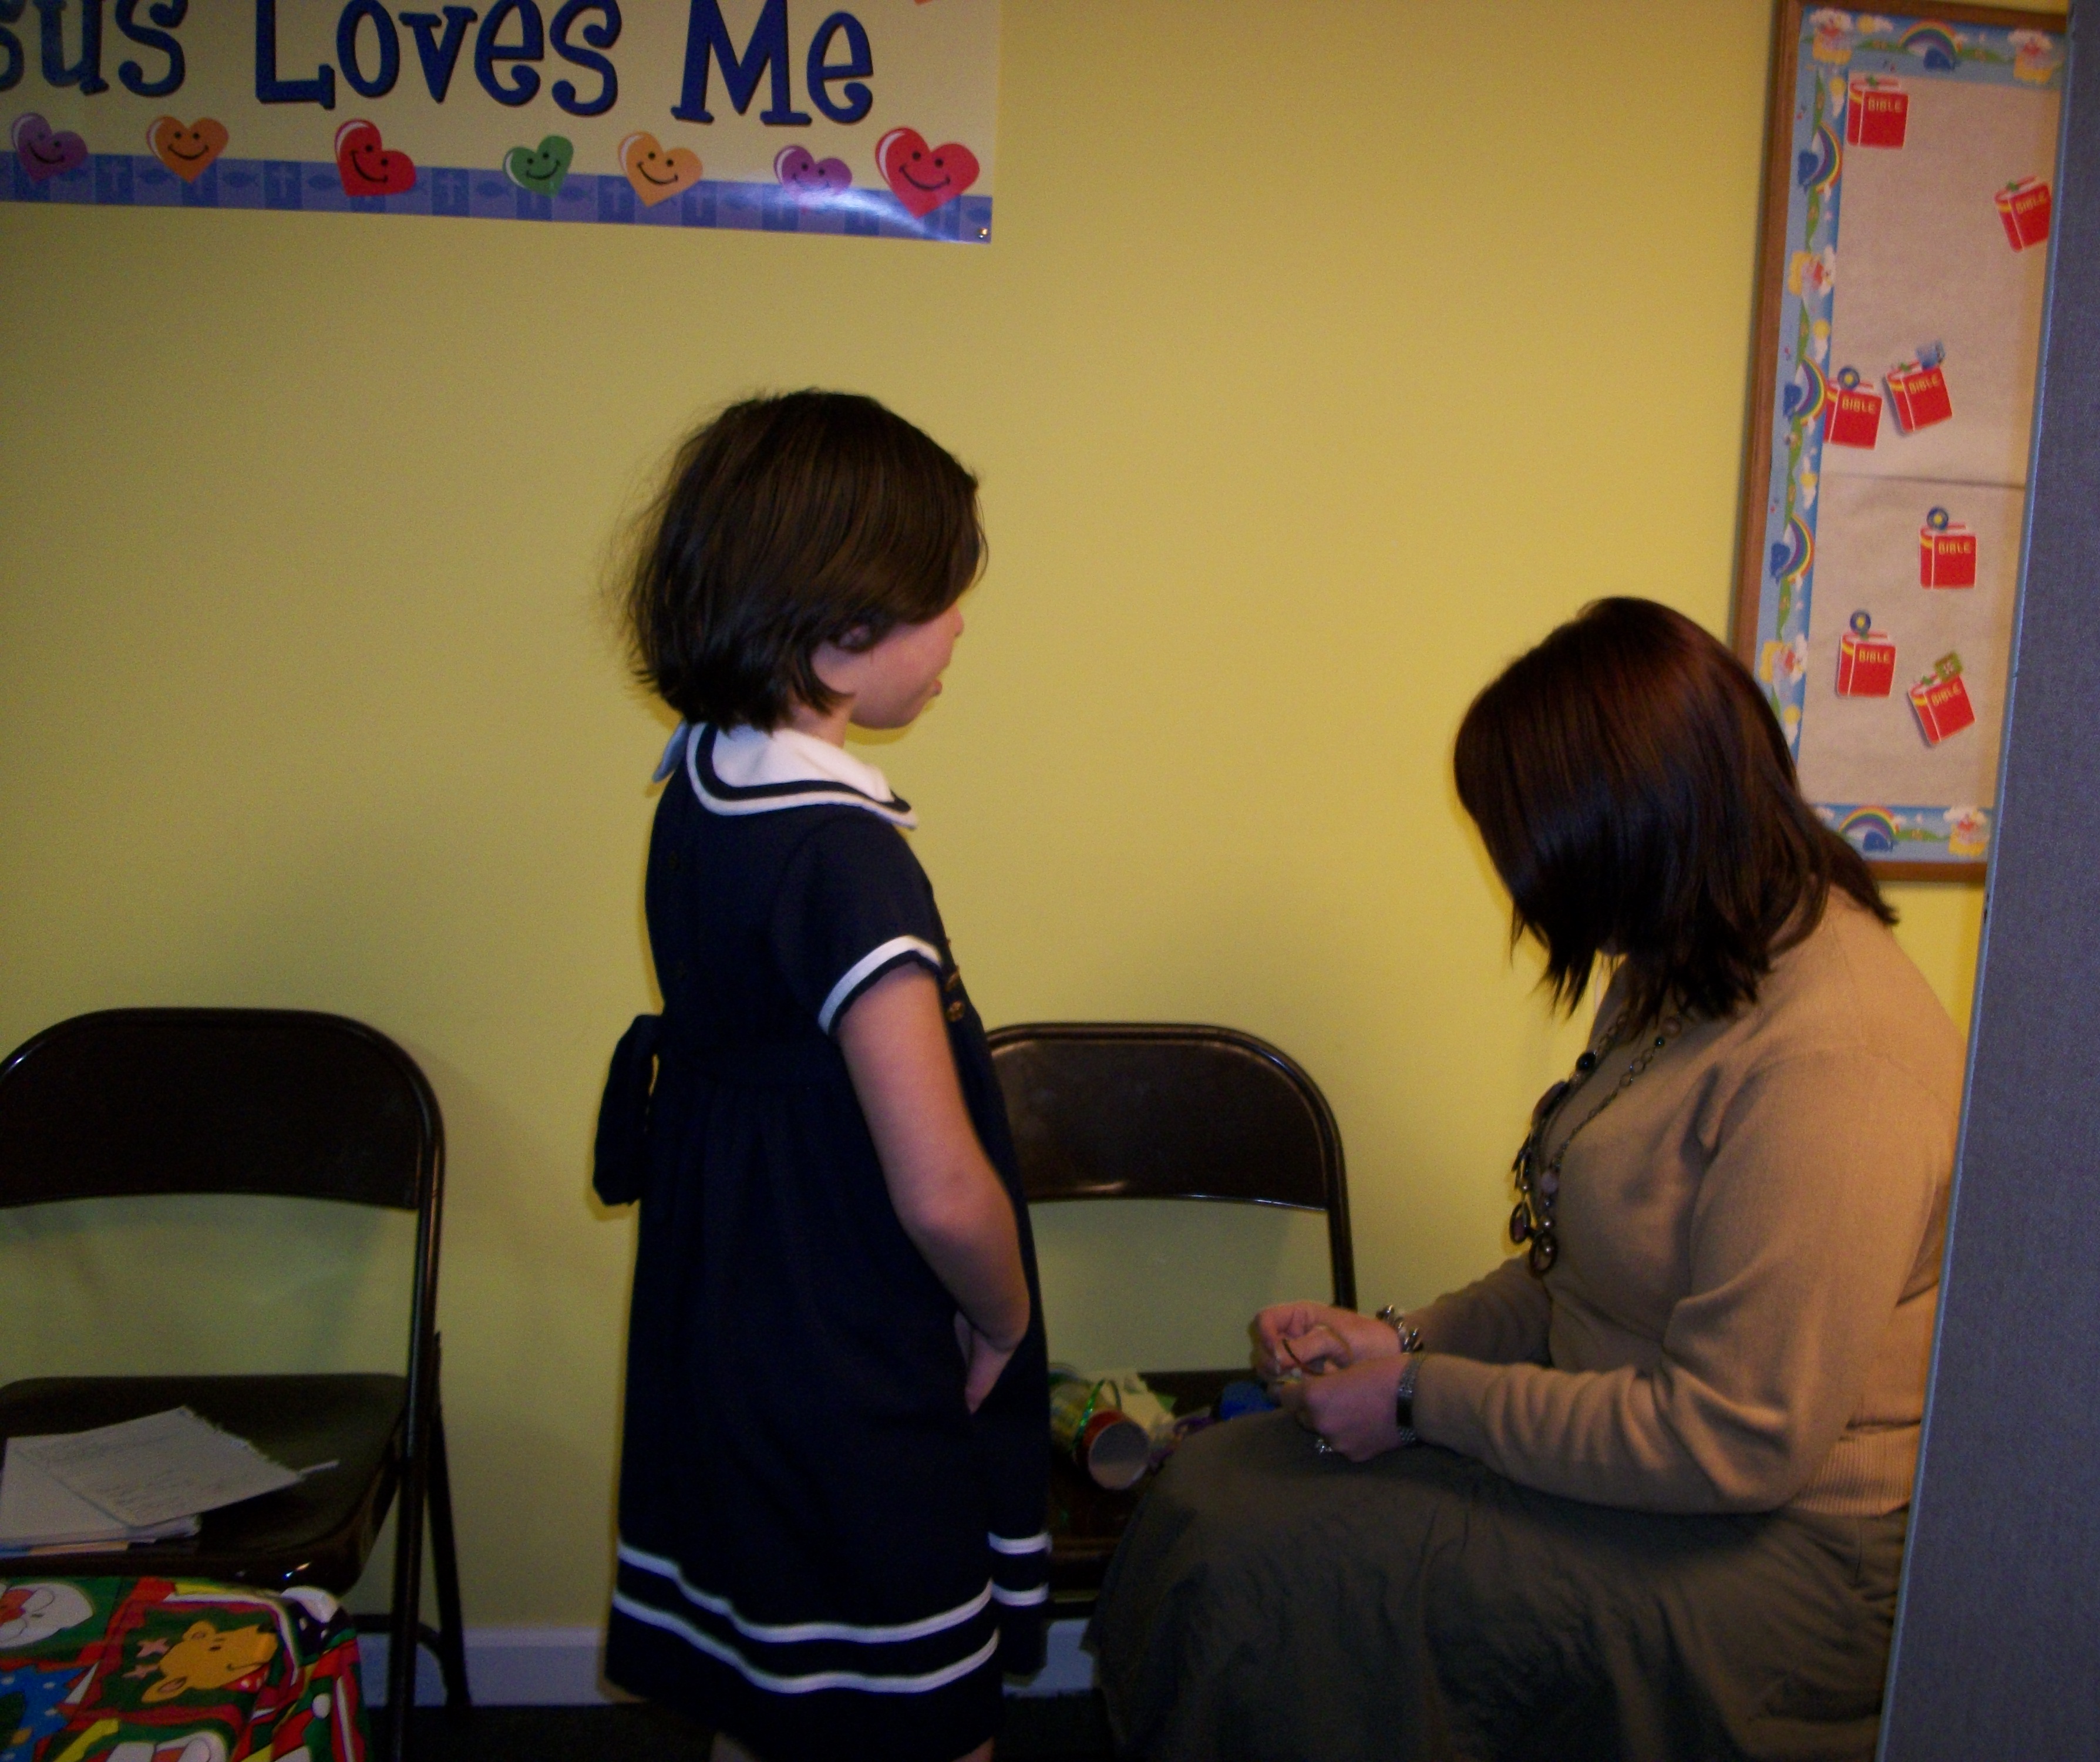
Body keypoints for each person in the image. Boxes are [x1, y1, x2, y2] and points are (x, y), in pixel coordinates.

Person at [1092, 598, 1962, 1762]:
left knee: (1278, 1568)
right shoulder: (1684, 962)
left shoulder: (1836, 1065)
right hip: (1636, 1463)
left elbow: (1733, 1443)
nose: (1528, 888)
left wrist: (1420, 1398)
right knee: (1222, 1482)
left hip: (1779, 1553)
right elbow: (1580, 1274)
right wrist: (1403, 1338)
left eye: (1535, 849)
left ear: (1637, 827)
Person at [591, 392, 1049, 1762]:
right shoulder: (845, 860)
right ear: (842, 634)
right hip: (842, 1347)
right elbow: (938, 1186)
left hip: (724, 1316)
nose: (959, 626)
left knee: (772, 1680)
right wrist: (1005, 1316)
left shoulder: (701, 786)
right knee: (916, 1707)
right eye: (939, 600)